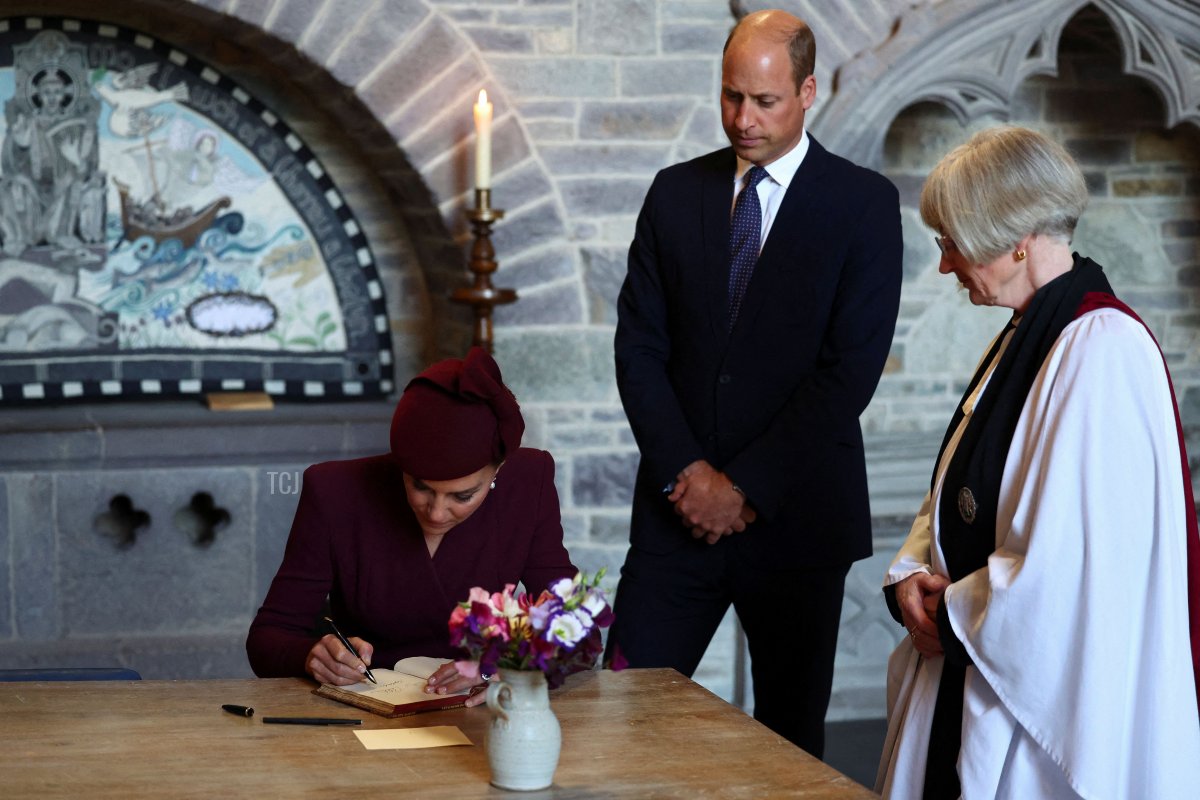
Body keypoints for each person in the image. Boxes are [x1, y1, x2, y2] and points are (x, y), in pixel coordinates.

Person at [607, 8, 903, 756]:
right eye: (731, 96)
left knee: (790, 742)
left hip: (798, 518)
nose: (743, 118)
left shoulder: (863, 205)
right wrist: (689, 475)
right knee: (620, 714)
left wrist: (740, 488)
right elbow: (638, 348)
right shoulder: (674, 193)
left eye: (764, 101)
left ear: (808, 92)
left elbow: (847, 376)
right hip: (676, 516)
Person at [876, 126, 1200, 798]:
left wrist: (952, 609)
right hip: (972, 658)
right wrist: (911, 572)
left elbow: (1078, 572)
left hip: (1035, 713)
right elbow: (959, 487)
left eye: (952, 243)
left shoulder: (1102, 349)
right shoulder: (1029, 332)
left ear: (1014, 239)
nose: (946, 265)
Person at [247, 348, 577, 705]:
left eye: (462, 496)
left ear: (497, 470)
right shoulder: (335, 492)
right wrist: (311, 655)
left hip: (484, 714)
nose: (436, 513)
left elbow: (574, 623)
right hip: (367, 713)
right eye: (420, 486)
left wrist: (501, 666)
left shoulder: (529, 483)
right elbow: (267, 638)